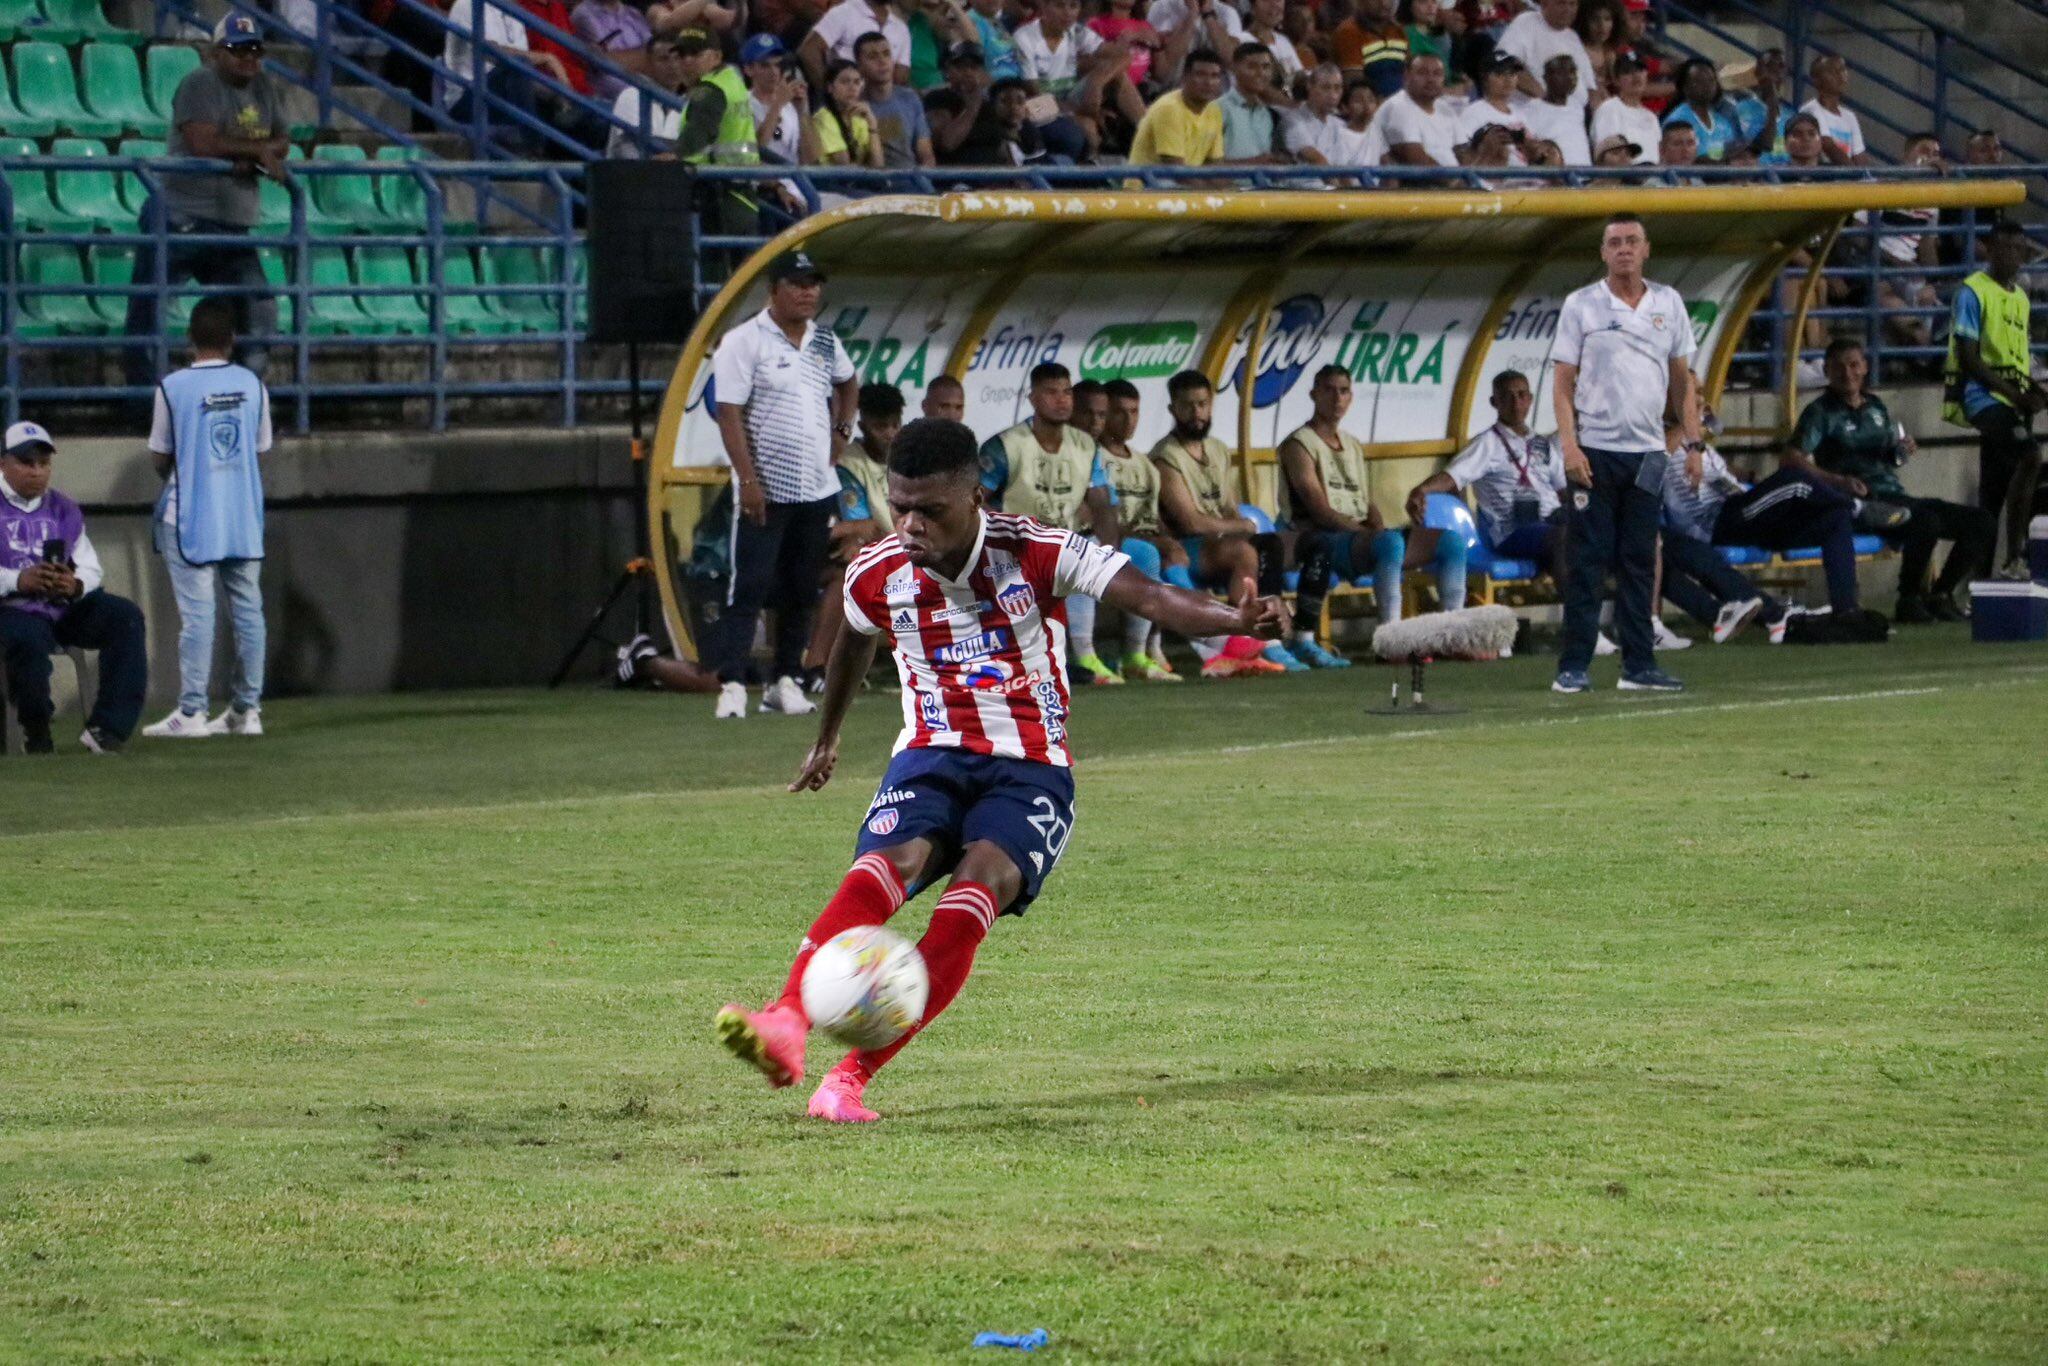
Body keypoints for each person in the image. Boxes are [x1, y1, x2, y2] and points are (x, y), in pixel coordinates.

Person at [712, 417, 1292, 1122]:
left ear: (975, 496)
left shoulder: (1037, 550)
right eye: (900, 506)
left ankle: (849, 1081)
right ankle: (786, 1022)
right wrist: (827, 737)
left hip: (1030, 768)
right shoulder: (879, 570)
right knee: (885, 866)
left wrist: (1235, 618)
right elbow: (853, 646)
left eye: (930, 510)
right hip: (930, 753)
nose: (911, 524)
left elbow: (1152, 597)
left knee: (972, 896)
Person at [704, 252, 861, 720]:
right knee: (749, 583)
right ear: (774, 290)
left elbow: (849, 384)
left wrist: (841, 432)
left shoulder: (825, 341)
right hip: (766, 487)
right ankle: (731, 681)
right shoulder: (744, 341)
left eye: (814, 283)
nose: (808, 292)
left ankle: (785, 680)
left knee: (800, 587)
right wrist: (748, 479)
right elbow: (729, 413)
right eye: (797, 284)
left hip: (816, 486)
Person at [1550, 212, 1697, 694]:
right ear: (1603, 252)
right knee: (1588, 561)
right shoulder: (1581, 305)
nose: (1624, 249)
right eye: (1615, 242)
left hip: (1650, 453)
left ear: (1647, 249)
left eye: (1632, 241)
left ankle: (1639, 665)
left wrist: (1692, 443)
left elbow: (1682, 381)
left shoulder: (1669, 303)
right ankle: (1573, 665)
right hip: (1595, 449)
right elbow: (1563, 383)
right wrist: (1569, 446)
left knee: (1641, 560)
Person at [124, 16, 285, 390]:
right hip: (182, 213)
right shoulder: (200, 82)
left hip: (231, 223)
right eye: (238, 49)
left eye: (255, 49)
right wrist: (256, 151)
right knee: (149, 309)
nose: (249, 58)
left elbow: (282, 140)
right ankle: (142, 400)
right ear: (216, 53)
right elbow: (202, 142)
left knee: (259, 309)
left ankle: (243, 394)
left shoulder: (264, 87)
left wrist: (256, 152)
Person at [141, 298, 270, 740]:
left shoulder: (172, 387)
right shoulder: (252, 384)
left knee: (198, 617)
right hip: (241, 516)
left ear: (190, 338)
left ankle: (192, 711)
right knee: (248, 612)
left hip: (190, 515)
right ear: (232, 340)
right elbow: (258, 448)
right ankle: (246, 711)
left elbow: (160, 454)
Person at [1791, 339, 1993, 622]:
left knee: (1981, 521)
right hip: (1860, 501)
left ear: (1865, 368)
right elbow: (1791, 459)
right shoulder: (1820, 412)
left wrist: (1900, 451)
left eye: (1854, 365)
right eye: (1838, 367)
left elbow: (1887, 457)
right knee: (1924, 521)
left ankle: (1941, 594)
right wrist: (1837, 481)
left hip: (1892, 494)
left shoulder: (1875, 406)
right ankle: (1908, 598)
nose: (1847, 373)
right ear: (1826, 370)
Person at [1279, 365, 1465, 662]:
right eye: (1328, 390)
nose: (1337, 398)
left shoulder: (1351, 444)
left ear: (1351, 397)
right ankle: (1390, 641)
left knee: (1451, 542)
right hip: (1321, 539)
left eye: (1343, 391)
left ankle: (1453, 636)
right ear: (1313, 394)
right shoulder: (1298, 444)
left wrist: (1376, 524)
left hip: (1357, 539)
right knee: (1388, 543)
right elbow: (1320, 511)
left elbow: (1363, 500)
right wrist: (1369, 533)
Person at [0, 422, 147, 755]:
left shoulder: (63, 508)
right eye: (26, 462)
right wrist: (17, 580)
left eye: (43, 463)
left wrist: (76, 584)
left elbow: (91, 565)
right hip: (11, 607)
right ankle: (36, 731)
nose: (37, 472)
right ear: (2, 463)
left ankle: (107, 729)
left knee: (125, 617)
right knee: (26, 639)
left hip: (60, 605)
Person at [977, 363, 1123, 685]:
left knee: (1089, 553)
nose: (1061, 400)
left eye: (1067, 392)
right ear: (1032, 398)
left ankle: (1085, 657)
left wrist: (1110, 554)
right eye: (1051, 392)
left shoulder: (1086, 446)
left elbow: (1101, 502)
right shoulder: (1005, 445)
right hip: (1010, 549)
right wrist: (1003, 530)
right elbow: (974, 499)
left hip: (1059, 544)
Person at [1151, 370, 1294, 674]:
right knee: (1244, 550)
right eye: (1188, 405)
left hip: (1216, 541)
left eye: (1202, 404)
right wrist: (1243, 528)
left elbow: (1228, 506)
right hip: (1186, 546)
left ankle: (1267, 641)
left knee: (1268, 545)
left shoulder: (1216, 449)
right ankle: (1240, 636)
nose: (1196, 413)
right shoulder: (1166, 457)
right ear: (1173, 409)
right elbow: (1190, 523)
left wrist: (1240, 527)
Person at [1943, 218, 2045, 579]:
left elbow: (2016, 354)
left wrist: (2032, 391)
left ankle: (1972, 583)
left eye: (2019, 249)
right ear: (1989, 249)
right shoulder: (1972, 291)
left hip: (2013, 398)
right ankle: (2015, 555)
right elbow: (1970, 357)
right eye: (2005, 248)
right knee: (2030, 457)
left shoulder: (2019, 296)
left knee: (1992, 494)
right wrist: (2015, 394)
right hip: (1984, 398)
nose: (2013, 256)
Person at [1408, 369, 1568, 587]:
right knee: (1561, 538)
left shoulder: (1541, 444)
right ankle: (1577, 612)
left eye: (1522, 395)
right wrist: (1421, 490)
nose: (1516, 402)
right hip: (1514, 530)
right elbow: (1452, 476)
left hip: (1550, 518)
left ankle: (1610, 600)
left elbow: (1564, 490)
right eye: (1508, 397)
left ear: (1530, 400)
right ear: (1495, 402)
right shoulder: (1487, 443)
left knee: (1596, 524)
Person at [1095, 379, 1184, 681]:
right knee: (1148, 556)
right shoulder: (1094, 458)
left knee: (1168, 559)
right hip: (1117, 542)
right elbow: (1104, 517)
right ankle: (1142, 650)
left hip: (1145, 539)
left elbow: (1153, 513)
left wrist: (1170, 540)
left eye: (1134, 412)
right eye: (1119, 412)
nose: (1128, 420)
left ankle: (1152, 647)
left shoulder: (1144, 464)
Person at [672, 28, 763, 237]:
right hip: (743, 195)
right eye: (682, 55)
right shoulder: (731, 80)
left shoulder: (710, 90)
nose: (686, 61)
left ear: (716, 57)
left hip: (719, 196)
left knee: (716, 267)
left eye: (695, 54)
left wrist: (674, 156)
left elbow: (697, 136)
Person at [853, 29, 939, 169]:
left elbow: (926, 154)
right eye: (872, 57)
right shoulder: (855, 105)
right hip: (874, 186)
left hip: (913, 182)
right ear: (859, 65)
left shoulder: (910, 99)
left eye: (886, 54)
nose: (882, 61)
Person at [1129, 47, 1228, 166]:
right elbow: (1176, 173)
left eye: (1215, 76)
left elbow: (1215, 168)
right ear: (1184, 77)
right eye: (1201, 75)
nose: (1208, 82)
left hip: (1187, 182)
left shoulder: (1214, 110)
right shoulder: (1169, 109)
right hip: (1151, 183)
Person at [1498, 0, 1594, 110]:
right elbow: (1506, 63)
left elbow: (1591, 87)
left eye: (1572, 4)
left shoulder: (1573, 37)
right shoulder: (1527, 22)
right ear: (1544, 4)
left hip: (1575, 115)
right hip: (1533, 112)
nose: (1568, 9)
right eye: (1561, 3)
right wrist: (1546, 98)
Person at [606, 36, 687, 157]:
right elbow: (630, 149)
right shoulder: (631, 95)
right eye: (664, 59)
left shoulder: (689, 101)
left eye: (678, 58)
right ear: (648, 63)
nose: (673, 66)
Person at [802, 0, 913, 86]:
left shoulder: (901, 29)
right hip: (843, 102)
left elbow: (900, 78)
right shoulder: (844, 12)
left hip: (879, 103)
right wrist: (831, 92)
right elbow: (809, 52)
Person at [1376, 51, 1458, 167]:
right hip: (1419, 182)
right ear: (1406, 76)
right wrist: (1457, 181)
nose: (1431, 79)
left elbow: (1462, 150)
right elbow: (1415, 159)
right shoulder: (1398, 106)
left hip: (1455, 179)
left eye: (1437, 74)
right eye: (1422, 73)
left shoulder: (1445, 108)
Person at [1660, 58, 1741, 162]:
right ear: (1685, 87)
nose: (1707, 86)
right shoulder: (1677, 120)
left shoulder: (1723, 122)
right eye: (1699, 81)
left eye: (1711, 80)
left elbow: (1733, 155)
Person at [571, 0, 652, 103]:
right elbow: (605, 59)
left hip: (643, 83)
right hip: (607, 94)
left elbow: (652, 56)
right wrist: (643, 57)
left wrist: (645, 58)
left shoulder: (634, 14)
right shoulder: (584, 13)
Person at [1519, 52, 1591, 166]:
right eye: (1562, 73)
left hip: (1587, 177)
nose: (1570, 77)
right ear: (1546, 78)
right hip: (1556, 179)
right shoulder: (1531, 109)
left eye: (1573, 71)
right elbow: (1529, 149)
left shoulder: (1578, 107)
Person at [1800, 53, 1871, 167]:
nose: (1841, 75)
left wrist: (1867, 179)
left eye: (1843, 70)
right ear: (1817, 80)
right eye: (1833, 72)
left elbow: (1859, 155)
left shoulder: (1850, 117)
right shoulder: (1810, 110)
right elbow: (1828, 146)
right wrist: (1855, 176)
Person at [1219, 42, 1284, 162]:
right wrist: (1255, 163)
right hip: (1230, 181)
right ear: (1234, 68)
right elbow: (1204, 163)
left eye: (1266, 67)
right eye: (1252, 67)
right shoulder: (1218, 109)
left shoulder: (1267, 114)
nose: (1260, 73)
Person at [1589, 50, 1657, 164]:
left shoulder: (1651, 117)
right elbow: (1607, 156)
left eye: (1640, 70)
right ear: (1616, 80)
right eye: (1627, 72)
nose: (1636, 76)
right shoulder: (1609, 109)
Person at [814, 58, 885, 167]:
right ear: (830, 88)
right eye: (845, 82)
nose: (852, 88)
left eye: (857, 82)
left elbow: (878, 165)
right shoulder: (823, 117)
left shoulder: (860, 118)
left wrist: (872, 124)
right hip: (829, 182)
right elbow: (843, 164)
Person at [1332, 0, 1408, 99]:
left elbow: (1409, 75)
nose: (1384, 3)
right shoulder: (1348, 32)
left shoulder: (1399, 31)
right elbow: (1355, 87)